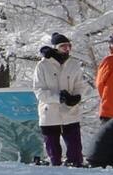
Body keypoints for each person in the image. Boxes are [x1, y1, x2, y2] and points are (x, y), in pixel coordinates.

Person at [34, 33, 87, 166]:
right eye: (63, 46)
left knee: (74, 147)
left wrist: (76, 97)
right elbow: (39, 91)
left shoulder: (74, 64)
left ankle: (76, 164)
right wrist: (58, 98)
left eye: (69, 46)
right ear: (55, 48)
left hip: (70, 111)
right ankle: (55, 168)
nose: (67, 49)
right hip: (49, 112)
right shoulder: (43, 65)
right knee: (53, 149)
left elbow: (80, 85)